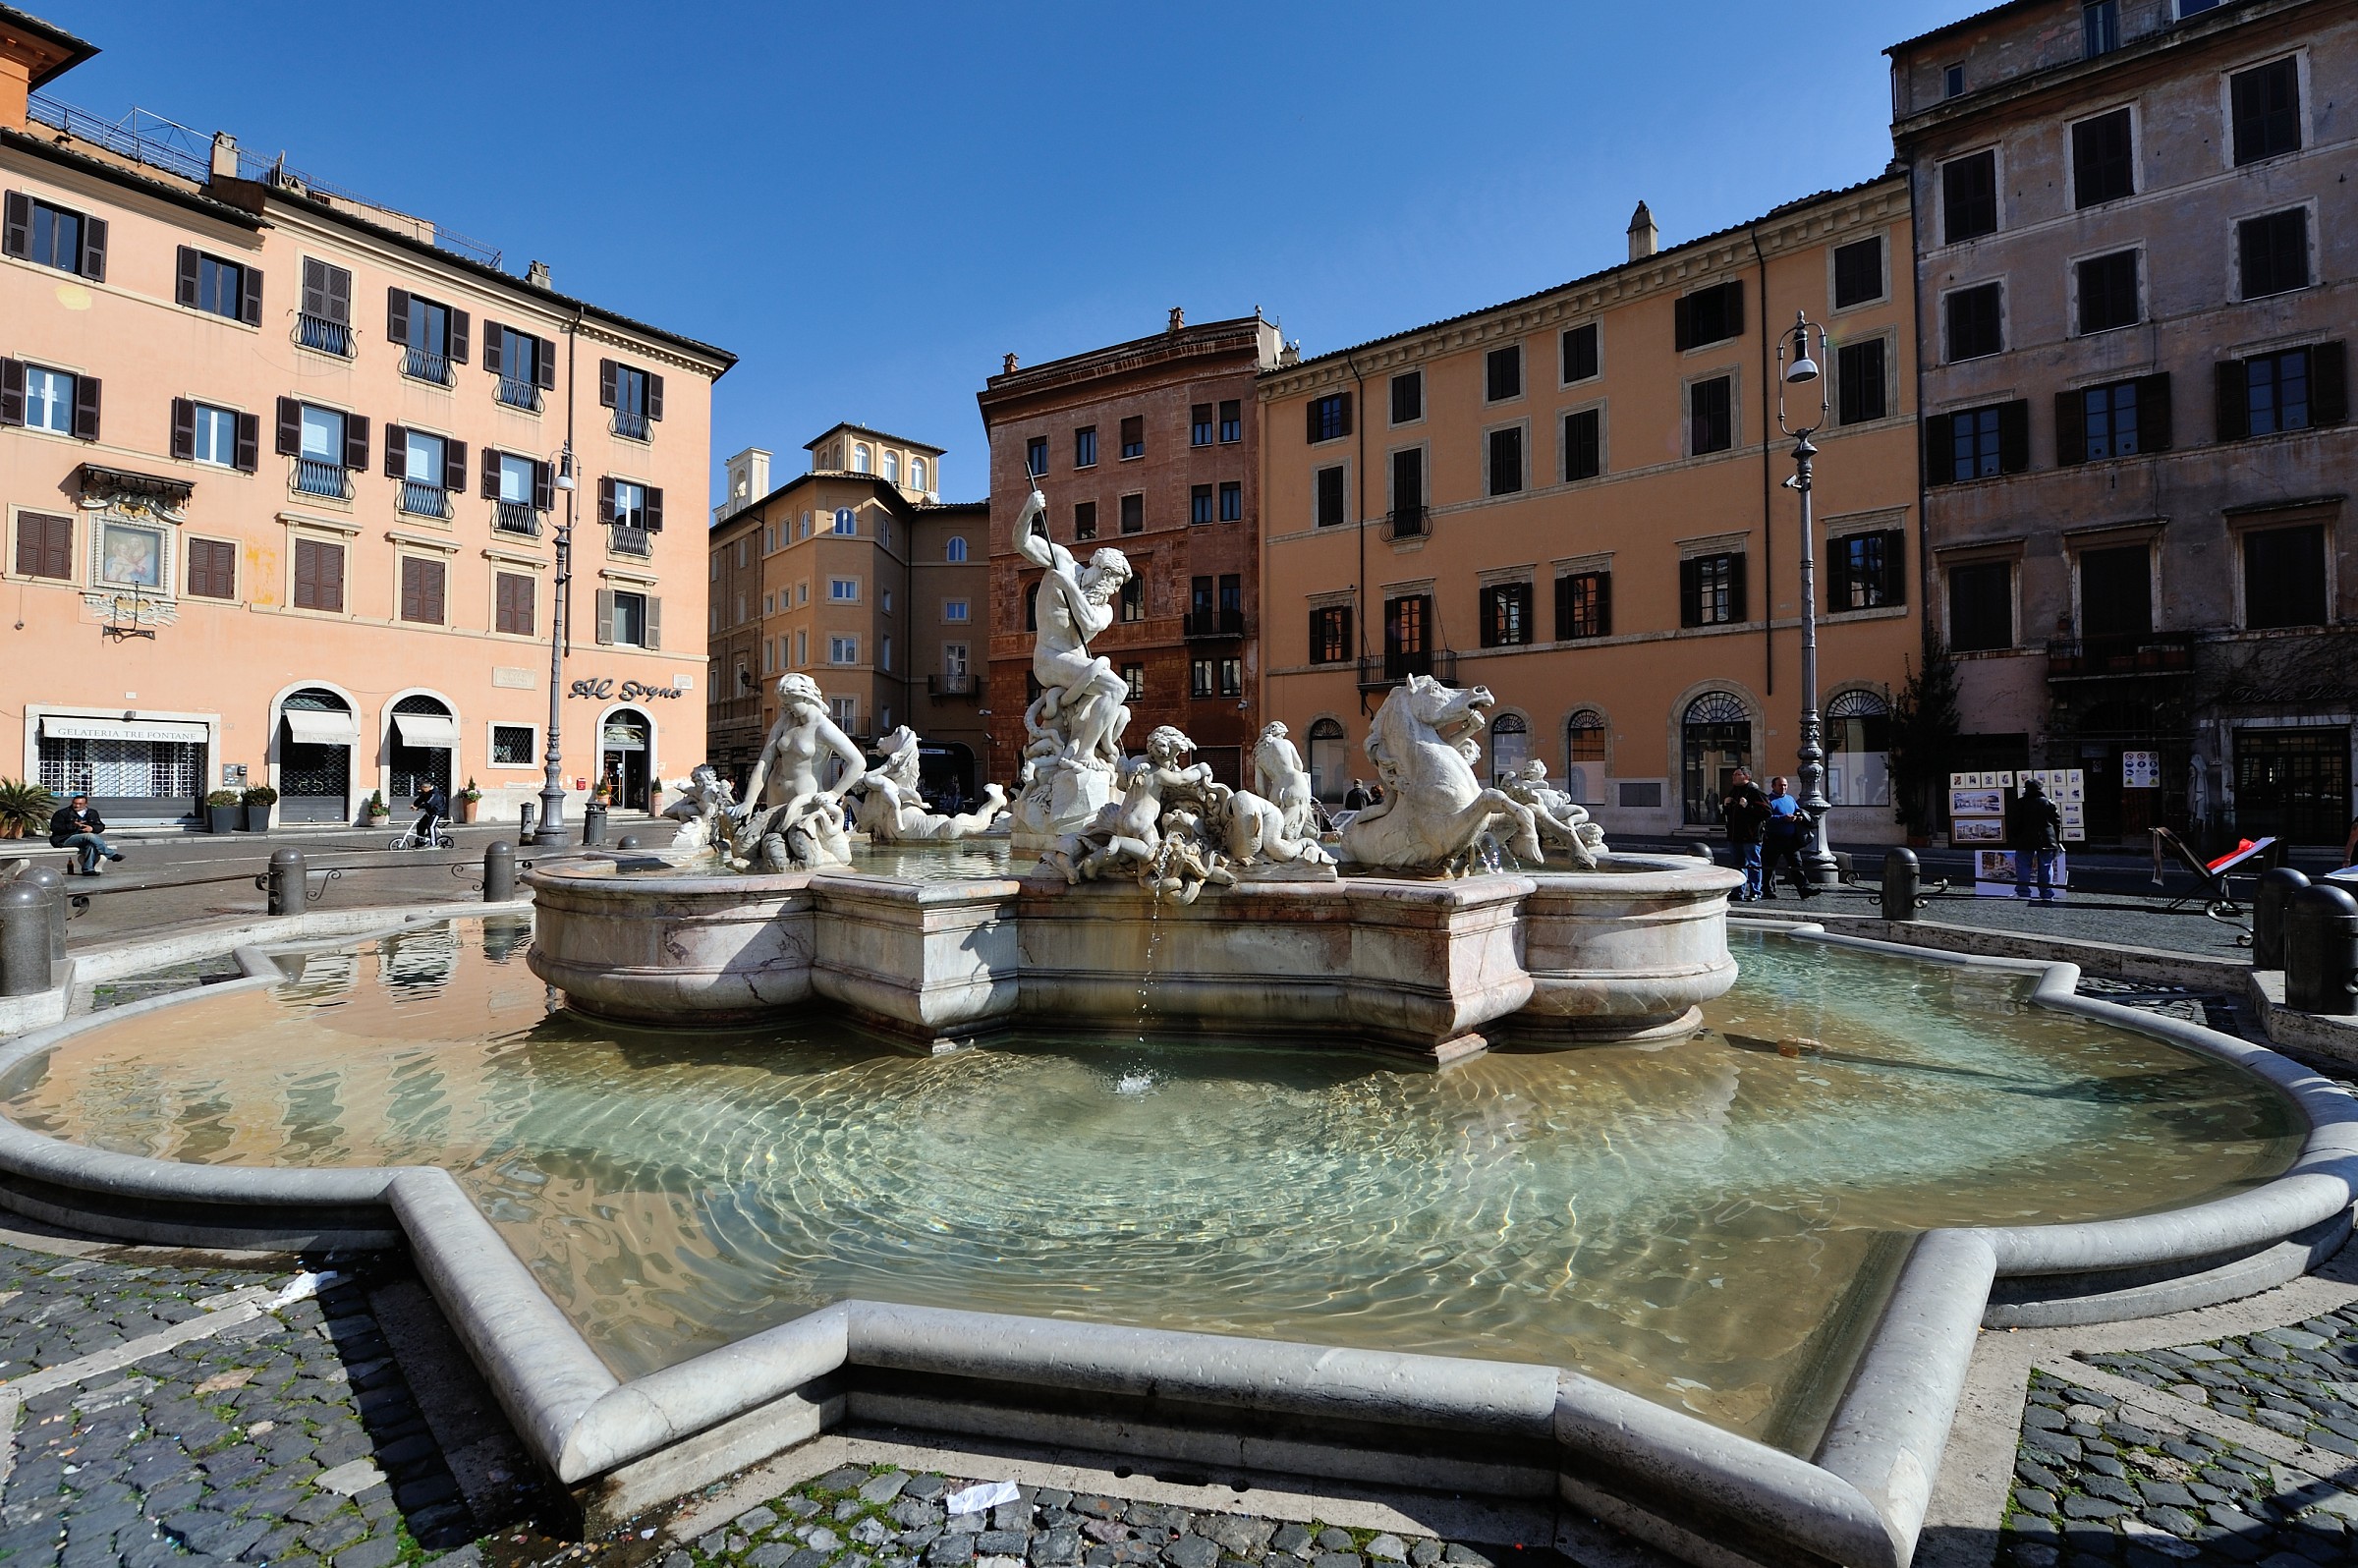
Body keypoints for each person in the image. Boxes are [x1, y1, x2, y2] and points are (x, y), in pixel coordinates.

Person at [1761, 776, 1818, 899]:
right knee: (1769, 866)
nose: (1783, 788)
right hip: (1773, 838)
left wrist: (1799, 817)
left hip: (1790, 839)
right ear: (1773, 786)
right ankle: (1768, 890)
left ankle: (1804, 889)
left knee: (1797, 864)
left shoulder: (1790, 799)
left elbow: (1798, 810)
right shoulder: (1769, 800)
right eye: (1781, 785)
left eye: (1785, 785)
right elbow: (1766, 818)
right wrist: (1782, 818)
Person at [1718, 767, 1770, 902]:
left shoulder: (1756, 793)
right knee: (1737, 865)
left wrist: (1748, 806)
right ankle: (1738, 891)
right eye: (1733, 775)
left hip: (1750, 836)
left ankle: (1755, 891)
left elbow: (1767, 813)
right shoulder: (1733, 792)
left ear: (1747, 776)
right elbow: (1729, 814)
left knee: (1753, 864)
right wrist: (1726, 806)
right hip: (1734, 835)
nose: (1734, 777)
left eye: (1737, 774)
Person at [2011, 776, 2062, 902]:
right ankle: (2046, 894)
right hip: (2046, 838)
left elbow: (2015, 823)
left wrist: (2015, 836)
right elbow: (2056, 823)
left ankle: (2023, 892)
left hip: (2025, 838)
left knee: (2023, 865)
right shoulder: (2049, 802)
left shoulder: (2020, 803)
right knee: (2046, 866)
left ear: (2026, 789)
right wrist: (2057, 841)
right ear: (2041, 788)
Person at [47, 794, 123, 876]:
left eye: (80, 804)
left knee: (91, 844)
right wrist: (73, 825)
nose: (77, 805)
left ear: (86, 804)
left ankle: (88, 870)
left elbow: (101, 826)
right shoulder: (62, 813)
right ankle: (111, 854)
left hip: (85, 839)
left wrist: (92, 828)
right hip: (64, 839)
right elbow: (55, 828)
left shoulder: (92, 813)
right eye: (75, 803)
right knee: (90, 836)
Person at [410, 779, 449, 846]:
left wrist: (418, 807)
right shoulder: (426, 792)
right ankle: (420, 841)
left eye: (422, 788)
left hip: (437, 812)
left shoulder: (435, 793)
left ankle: (434, 845)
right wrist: (415, 805)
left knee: (431, 826)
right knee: (420, 825)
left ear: (427, 787)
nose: (421, 790)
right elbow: (420, 799)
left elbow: (429, 804)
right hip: (430, 812)